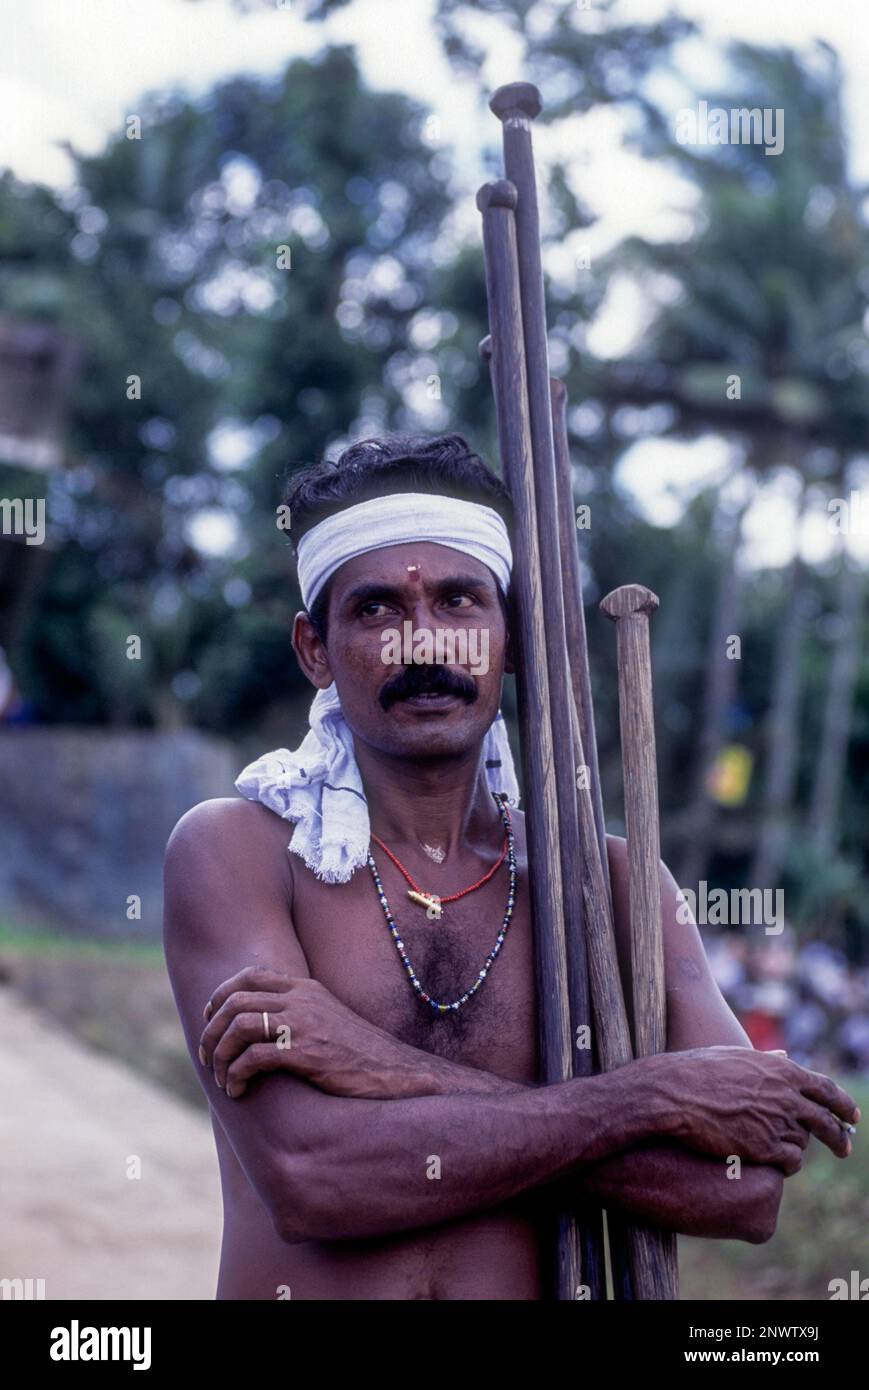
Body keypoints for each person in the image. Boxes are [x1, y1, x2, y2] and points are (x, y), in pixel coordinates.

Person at [163, 433, 859, 1301]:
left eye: (458, 601)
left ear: (512, 638)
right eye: (376, 610)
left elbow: (740, 1189)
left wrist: (381, 1067)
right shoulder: (239, 851)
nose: (425, 643)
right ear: (315, 648)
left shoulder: (609, 884)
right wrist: (647, 1104)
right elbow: (314, 1177)